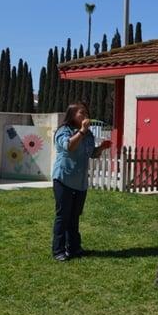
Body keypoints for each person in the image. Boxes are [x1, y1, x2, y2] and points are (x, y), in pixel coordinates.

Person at [51, 102, 111, 261]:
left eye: (86, 112)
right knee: (63, 216)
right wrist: (82, 131)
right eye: (81, 113)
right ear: (72, 115)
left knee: (74, 216)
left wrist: (102, 148)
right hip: (63, 179)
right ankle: (58, 250)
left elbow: (91, 153)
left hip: (80, 182)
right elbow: (69, 146)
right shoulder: (64, 131)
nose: (85, 115)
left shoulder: (89, 134)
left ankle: (74, 248)